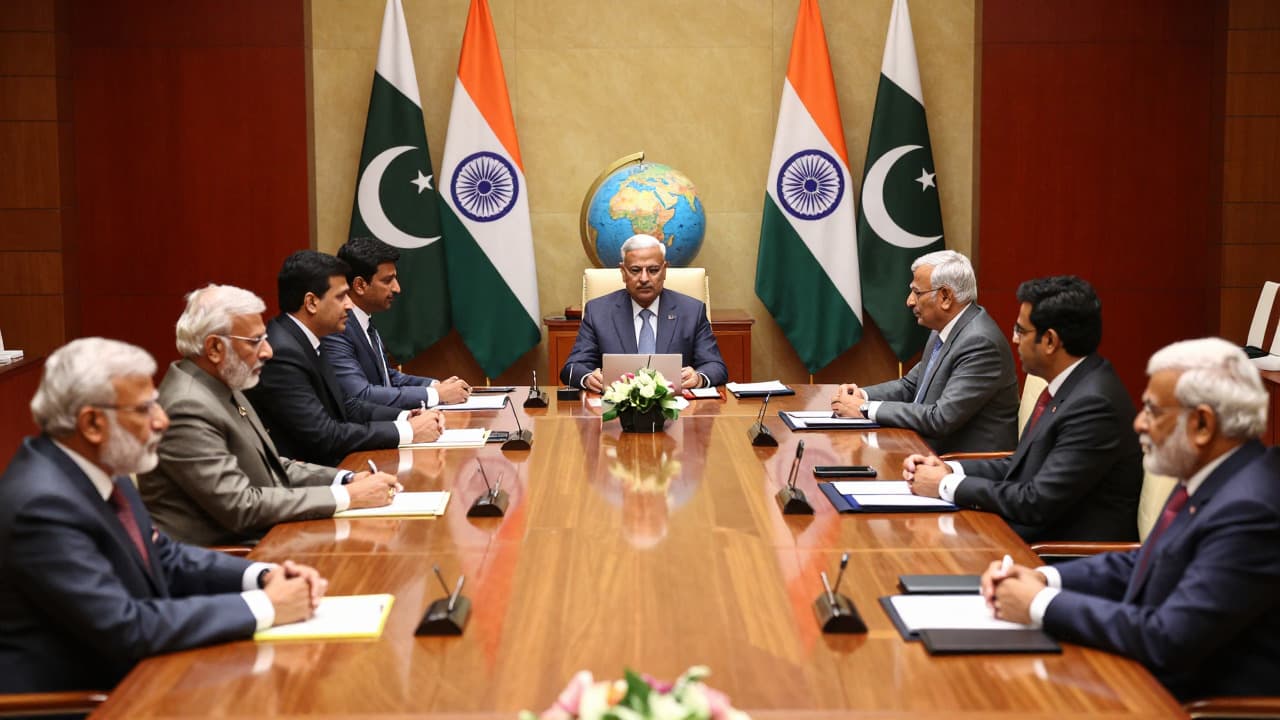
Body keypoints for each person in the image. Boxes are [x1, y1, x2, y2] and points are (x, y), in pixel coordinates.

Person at [0, 338, 326, 695]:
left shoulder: (105, 466)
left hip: (144, 675)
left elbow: (165, 557)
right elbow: (124, 628)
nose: (162, 420)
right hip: (84, 701)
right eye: (144, 409)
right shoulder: (42, 505)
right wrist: (266, 606)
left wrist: (263, 575)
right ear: (92, 423)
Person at [981, 338, 1280, 701]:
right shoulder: (1212, 473)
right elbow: (1145, 562)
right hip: (1137, 680)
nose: (1138, 422)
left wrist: (1040, 603)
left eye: (1153, 410)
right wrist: (1045, 576)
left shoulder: (1251, 509)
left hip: (1180, 702)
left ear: (1202, 424)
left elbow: (1167, 638)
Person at [138, 284, 403, 547]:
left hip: (271, 536)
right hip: (234, 555)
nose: (268, 351)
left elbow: (272, 465)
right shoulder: (187, 406)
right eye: (255, 341)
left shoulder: (221, 382)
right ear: (215, 348)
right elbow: (240, 506)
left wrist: (346, 479)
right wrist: (347, 496)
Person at [903, 276, 1142, 542]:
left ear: (1050, 341)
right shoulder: (1071, 385)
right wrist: (949, 469)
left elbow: (1036, 501)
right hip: (1022, 534)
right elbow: (1021, 465)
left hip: (1055, 555)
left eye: (1020, 331)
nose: (1014, 340)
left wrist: (945, 485)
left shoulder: (1094, 405)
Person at [245, 250, 445, 467]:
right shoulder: (282, 352)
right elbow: (324, 435)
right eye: (341, 296)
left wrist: (404, 417)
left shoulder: (306, 338)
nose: (349, 305)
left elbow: (347, 405)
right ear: (311, 302)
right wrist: (406, 431)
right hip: (310, 477)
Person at [831, 250, 1018, 454]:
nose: (909, 301)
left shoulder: (979, 343)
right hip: (923, 450)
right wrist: (862, 395)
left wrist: (863, 409)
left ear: (945, 296)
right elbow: (911, 386)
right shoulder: (945, 329)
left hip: (961, 465)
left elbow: (940, 418)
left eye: (917, 293)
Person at [560, 234, 727, 392]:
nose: (644, 279)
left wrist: (699, 378)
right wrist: (588, 377)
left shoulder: (691, 310)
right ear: (623, 272)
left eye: (653, 270)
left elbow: (715, 366)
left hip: (678, 410)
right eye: (635, 270)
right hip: (617, 411)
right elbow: (573, 367)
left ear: (665, 270)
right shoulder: (598, 312)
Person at [322, 237, 471, 409]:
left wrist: (435, 385)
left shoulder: (364, 321)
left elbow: (386, 377)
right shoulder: (337, 328)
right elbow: (360, 394)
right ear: (360, 285)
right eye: (387, 281)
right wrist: (436, 395)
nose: (397, 288)